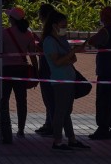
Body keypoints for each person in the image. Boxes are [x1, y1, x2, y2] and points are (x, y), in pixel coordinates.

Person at [43, 11, 90, 151]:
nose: (65, 28)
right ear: (54, 25)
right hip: (60, 80)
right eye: (63, 25)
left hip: (69, 78)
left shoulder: (62, 39)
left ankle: (72, 139)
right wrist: (72, 52)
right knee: (60, 111)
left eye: (66, 25)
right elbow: (57, 62)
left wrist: (73, 52)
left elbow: (72, 59)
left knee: (66, 111)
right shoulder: (49, 41)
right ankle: (57, 141)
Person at [0, 7, 39, 138]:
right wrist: (36, 70)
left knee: (3, 99)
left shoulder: (4, 33)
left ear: (12, 19)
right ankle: (21, 128)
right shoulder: (28, 34)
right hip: (21, 69)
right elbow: (33, 55)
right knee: (21, 100)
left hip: (6, 69)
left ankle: (2, 126)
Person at [86, 6, 111, 140]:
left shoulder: (106, 30)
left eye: (101, 14)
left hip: (107, 71)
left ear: (105, 17)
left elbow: (92, 41)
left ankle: (103, 128)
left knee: (104, 100)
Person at [34, 3, 58, 136]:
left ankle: (52, 125)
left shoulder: (49, 32)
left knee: (50, 97)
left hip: (48, 68)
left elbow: (48, 50)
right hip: (52, 67)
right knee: (50, 97)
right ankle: (49, 122)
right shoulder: (56, 30)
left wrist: (38, 46)